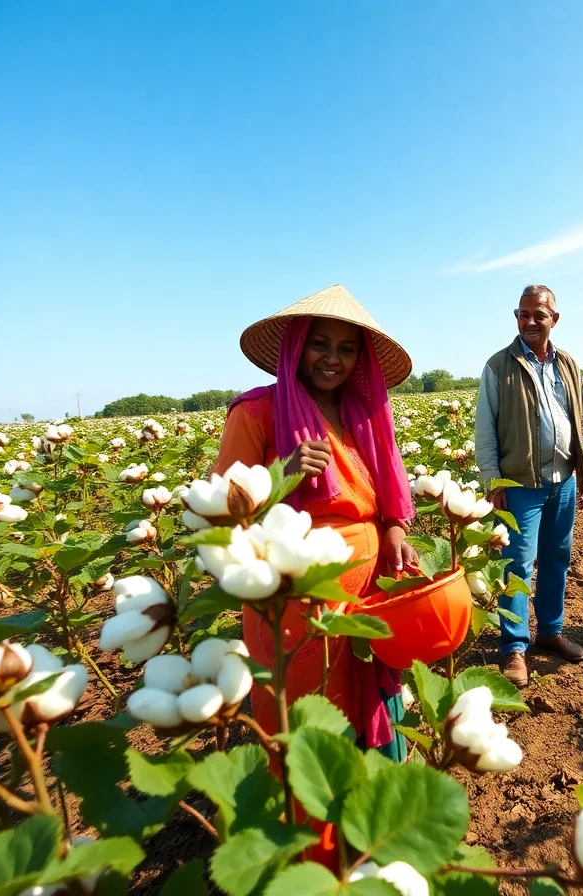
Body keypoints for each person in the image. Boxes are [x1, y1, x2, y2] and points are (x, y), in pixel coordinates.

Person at [214, 284, 418, 763]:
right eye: (320, 344)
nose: (332, 359)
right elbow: (222, 506)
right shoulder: (256, 412)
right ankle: (310, 807)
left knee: (368, 696)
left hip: (367, 587)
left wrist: (395, 529)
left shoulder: (364, 413)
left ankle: (373, 798)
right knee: (308, 715)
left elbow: (385, 492)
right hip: (292, 596)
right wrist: (280, 474)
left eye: (346, 349)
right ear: (296, 347)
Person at [474, 284, 583, 688]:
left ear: (553, 319)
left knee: (557, 557)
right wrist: (493, 481)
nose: (529, 322)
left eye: (538, 315)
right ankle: (514, 647)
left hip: (563, 479)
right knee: (517, 564)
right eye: (523, 315)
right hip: (520, 483)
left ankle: (550, 631)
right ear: (516, 317)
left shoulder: (568, 365)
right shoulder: (499, 366)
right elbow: (485, 430)